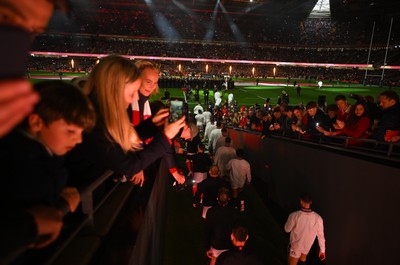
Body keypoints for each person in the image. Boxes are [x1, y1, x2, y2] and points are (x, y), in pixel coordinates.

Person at [66, 55, 185, 188]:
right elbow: (129, 164)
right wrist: (166, 136)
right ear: (115, 87)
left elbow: (125, 137)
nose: (135, 97)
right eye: (132, 92)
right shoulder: (94, 117)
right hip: (83, 188)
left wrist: (151, 124)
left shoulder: (100, 109)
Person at [129, 60, 185, 184]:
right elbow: (126, 138)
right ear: (135, 78)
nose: (152, 86)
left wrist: (153, 123)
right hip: (133, 165)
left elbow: (136, 134)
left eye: (155, 83)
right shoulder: (129, 102)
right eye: (148, 81)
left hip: (141, 160)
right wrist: (137, 165)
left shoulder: (145, 103)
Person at [284, 193, 326, 265]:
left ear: (301, 201)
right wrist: (322, 250)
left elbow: (287, 229)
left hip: (295, 246)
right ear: (311, 202)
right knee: (303, 259)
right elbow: (321, 236)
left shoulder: (294, 215)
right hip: (307, 246)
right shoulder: (318, 218)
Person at [205, 187, 239, 265]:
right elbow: (236, 228)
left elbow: (207, 230)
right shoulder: (234, 212)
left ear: (217, 198)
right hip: (229, 243)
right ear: (229, 199)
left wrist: (207, 247)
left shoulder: (211, 211)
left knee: (214, 259)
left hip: (217, 243)